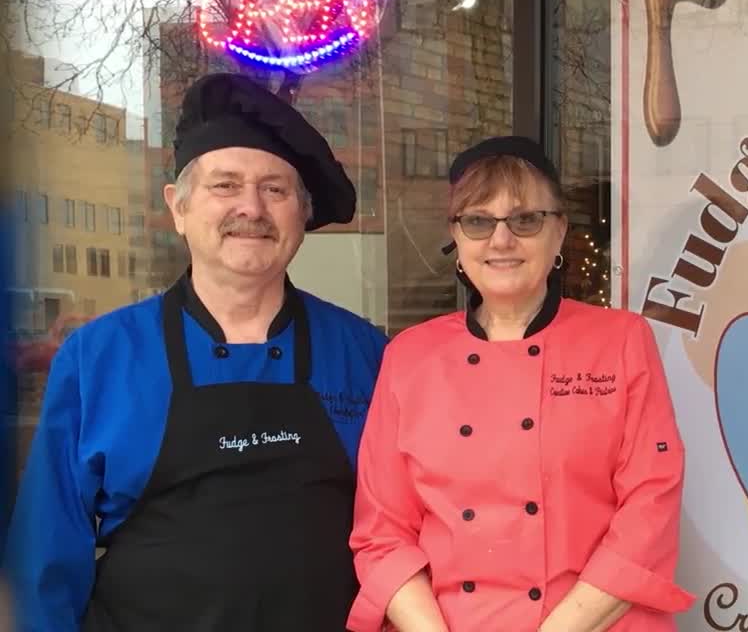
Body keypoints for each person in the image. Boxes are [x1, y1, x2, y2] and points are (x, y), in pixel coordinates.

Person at [3, 73, 388, 631]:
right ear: (178, 208)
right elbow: (44, 561)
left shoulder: (365, 353)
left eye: (275, 189)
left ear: (302, 215)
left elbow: (403, 532)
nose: (251, 208)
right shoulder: (98, 357)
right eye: (225, 186)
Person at [347, 136, 695, 632]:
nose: (501, 240)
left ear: (559, 235)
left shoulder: (620, 340)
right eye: (478, 221)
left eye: (526, 220)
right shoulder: (409, 356)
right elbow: (383, 532)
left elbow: (650, 506)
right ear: (458, 239)